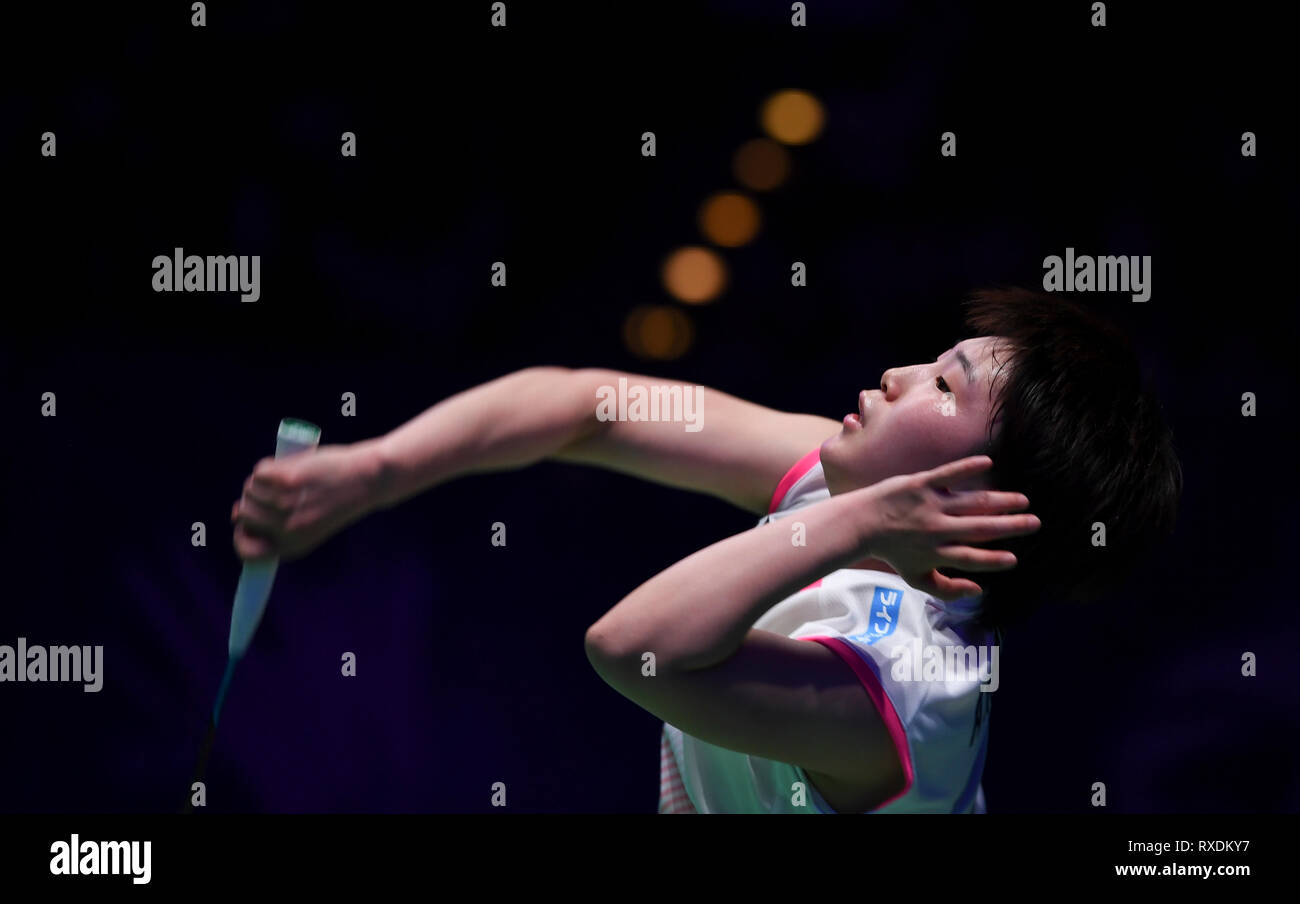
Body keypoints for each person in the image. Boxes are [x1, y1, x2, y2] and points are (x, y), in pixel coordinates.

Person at [230, 286, 1181, 813]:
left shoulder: (909, 688)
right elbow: (591, 408)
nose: (894, 375)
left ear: (976, 496)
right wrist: (372, 472)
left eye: (942, 383)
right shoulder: (836, 483)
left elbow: (632, 649)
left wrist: (846, 524)